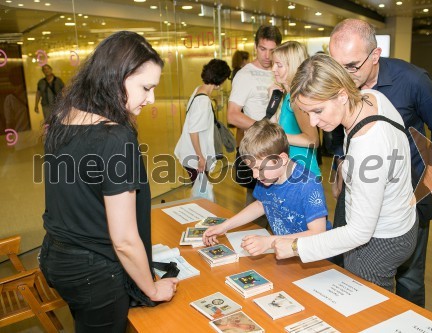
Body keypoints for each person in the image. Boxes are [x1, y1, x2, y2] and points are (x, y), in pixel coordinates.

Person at [38, 31, 178, 332]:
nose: (151, 98)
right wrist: (152, 290)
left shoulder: (64, 118)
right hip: (94, 271)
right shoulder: (115, 137)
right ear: (117, 77)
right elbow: (124, 239)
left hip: (56, 256)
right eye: (146, 87)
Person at [329, 19, 432, 306]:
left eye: (351, 66)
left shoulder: (412, 80)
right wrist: (337, 174)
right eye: (336, 66)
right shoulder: (338, 81)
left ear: (375, 56)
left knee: (409, 277)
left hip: (408, 190)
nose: (343, 76)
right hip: (359, 184)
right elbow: (338, 132)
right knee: (348, 263)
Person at [273, 54, 418, 292]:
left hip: (379, 243)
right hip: (403, 222)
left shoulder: (368, 145)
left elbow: (360, 232)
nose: (313, 121)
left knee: (368, 310)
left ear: (341, 95)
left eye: (318, 110)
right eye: (307, 112)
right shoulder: (372, 97)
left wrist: (296, 247)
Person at [203, 119, 330, 256]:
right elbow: (261, 204)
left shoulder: (308, 185)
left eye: (259, 168)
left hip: (313, 257)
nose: (255, 175)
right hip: (284, 252)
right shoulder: (267, 176)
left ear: (281, 159)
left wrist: (269, 242)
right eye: (252, 169)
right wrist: (225, 226)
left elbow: (318, 233)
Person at [228, 25, 282, 209]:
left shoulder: (281, 71)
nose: (267, 56)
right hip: (258, 150)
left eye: (272, 50)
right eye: (262, 49)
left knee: (280, 205)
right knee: (257, 206)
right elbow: (233, 115)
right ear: (255, 47)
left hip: (281, 148)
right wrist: (264, 130)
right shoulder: (245, 75)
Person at [174, 59, 231, 184]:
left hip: (190, 153)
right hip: (195, 157)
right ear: (219, 80)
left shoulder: (198, 90)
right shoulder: (203, 101)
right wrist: (200, 157)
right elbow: (193, 131)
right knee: (202, 194)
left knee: (201, 192)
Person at [270, 41, 321, 177]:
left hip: (303, 172)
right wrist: (272, 102)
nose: (273, 69)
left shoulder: (297, 98)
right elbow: (279, 130)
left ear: (292, 66)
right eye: (273, 64)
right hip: (290, 169)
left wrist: (276, 137)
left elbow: (313, 140)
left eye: (279, 65)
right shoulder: (288, 96)